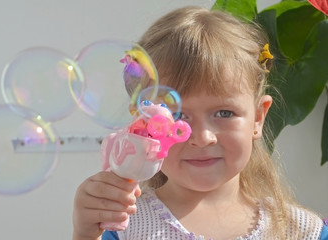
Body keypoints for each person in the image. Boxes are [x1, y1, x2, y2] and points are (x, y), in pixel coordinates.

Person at [72, 6, 328, 240]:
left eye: (224, 113)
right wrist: (85, 233)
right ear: (144, 124)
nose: (202, 137)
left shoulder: (302, 231)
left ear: (258, 118)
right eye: (177, 116)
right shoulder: (124, 226)